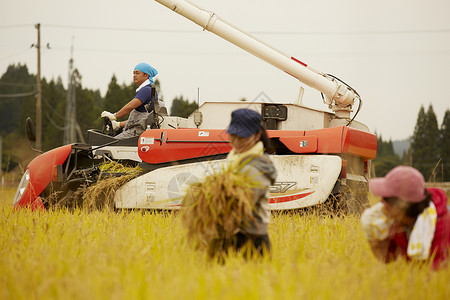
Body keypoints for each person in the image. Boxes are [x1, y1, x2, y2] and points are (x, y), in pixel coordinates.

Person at [361, 166, 450, 269]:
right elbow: (386, 258)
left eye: (385, 198)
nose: (382, 203)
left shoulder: (442, 227)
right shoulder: (399, 221)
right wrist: (372, 236)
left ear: (402, 204)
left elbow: (436, 275)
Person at [223, 108, 277, 256]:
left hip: (253, 237)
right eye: (232, 136)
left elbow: (247, 200)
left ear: (257, 135)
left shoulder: (259, 165)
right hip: (231, 233)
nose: (236, 141)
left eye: (242, 137)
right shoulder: (234, 157)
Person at [101, 62, 158, 139]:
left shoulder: (146, 90)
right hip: (139, 131)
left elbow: (130, 106)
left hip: (137, 132)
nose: (134, 75)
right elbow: (140, 120)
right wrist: (118, 124)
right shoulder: (149, 89)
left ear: (146, 75)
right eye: (133, 73)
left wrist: (114, 116)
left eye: (137, 73)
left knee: (110, 144)